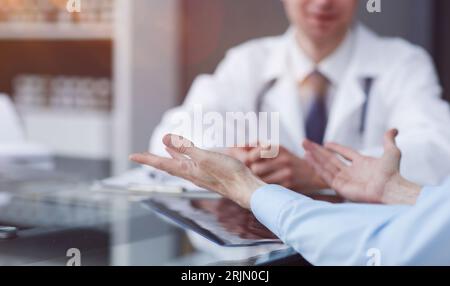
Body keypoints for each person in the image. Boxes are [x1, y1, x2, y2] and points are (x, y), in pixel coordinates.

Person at [150, 0, 450, 191]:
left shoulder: (402, 63)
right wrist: (223, 159)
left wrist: (321, 174)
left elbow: (438, 150)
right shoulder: (247, 62)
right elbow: (172, 135)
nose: (322, 3)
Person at [130, 131, 450, 266]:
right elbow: (176, 124)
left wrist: (249, 188)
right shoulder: (245, 61)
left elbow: (389, 251)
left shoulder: (402, 60)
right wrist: (405, 193)